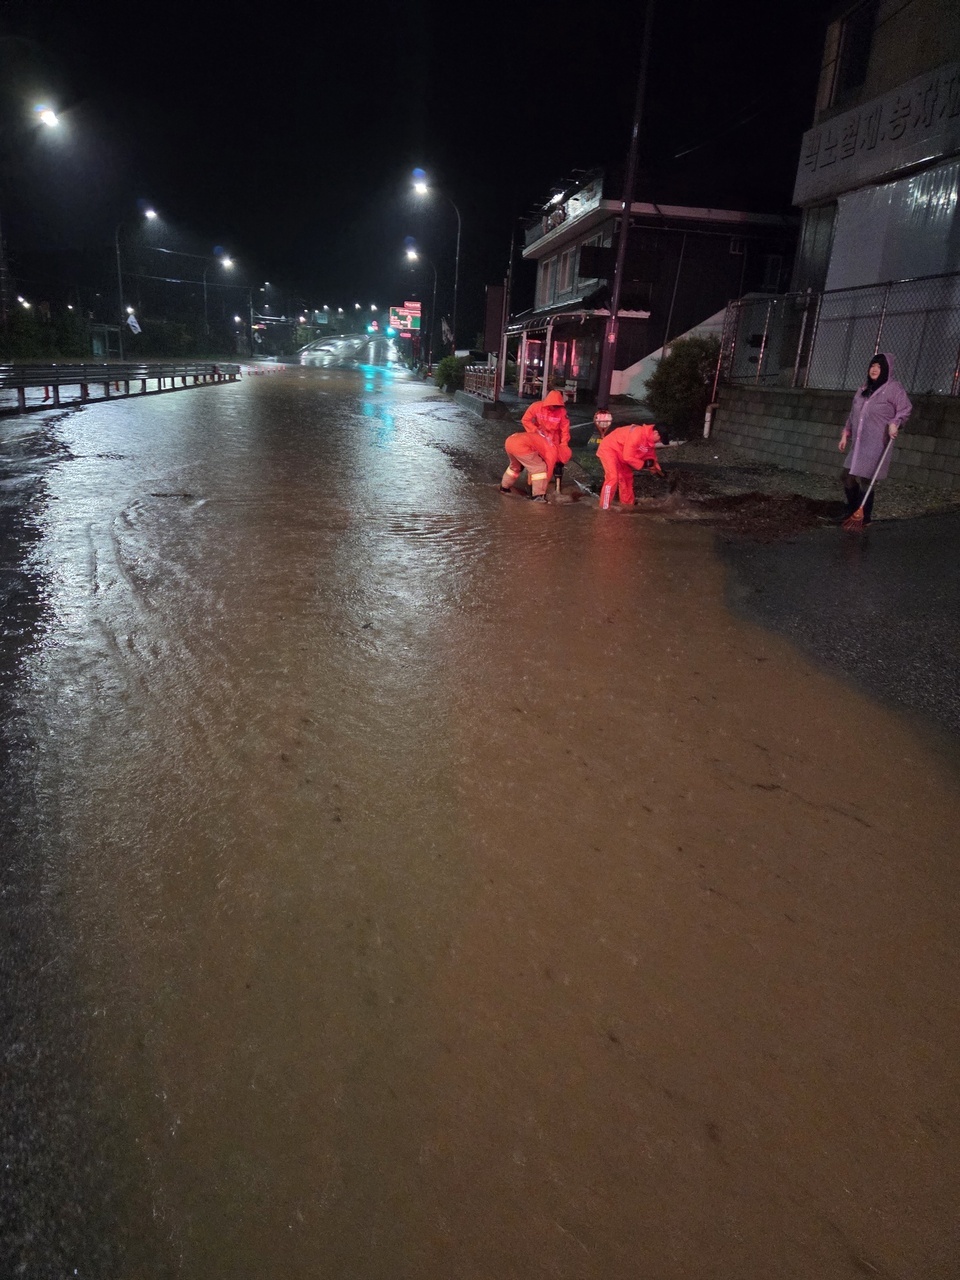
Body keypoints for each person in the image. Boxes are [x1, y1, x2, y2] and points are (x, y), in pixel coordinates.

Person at [839, 353, 912, 526]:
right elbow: (853, 413)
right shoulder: (864, 388)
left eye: (879, 367)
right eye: (872, 365)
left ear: (886, 369)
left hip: (876, 443)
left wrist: (895, 423)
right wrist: (845, 433)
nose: (874, 369)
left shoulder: (894, 388)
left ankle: (864, 516)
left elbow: (905, 409)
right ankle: (853, 508)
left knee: (866, 478)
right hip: (859, 443)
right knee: (846, 476)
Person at [596, 423, 663, 509]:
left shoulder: (649, 441)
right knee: (612, 478)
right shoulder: (637, 434)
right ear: (655, 433)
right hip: (609, 449)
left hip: (621, 452)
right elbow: (628, 457)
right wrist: (643, 464)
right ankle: (604, 508)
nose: (660, 441)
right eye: (661, 439)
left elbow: (650, 457)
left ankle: (627, 506)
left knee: (627, 479)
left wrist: (656, 469)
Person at [499, 431, 557, 501]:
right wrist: (545, 483)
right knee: (539, 468)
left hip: (510, 441)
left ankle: (504, 488)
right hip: (521, 445)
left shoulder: (544, 438)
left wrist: (531, 481)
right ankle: (538, 496)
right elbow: (549, 468)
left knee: (515, 466)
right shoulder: (552, 450)